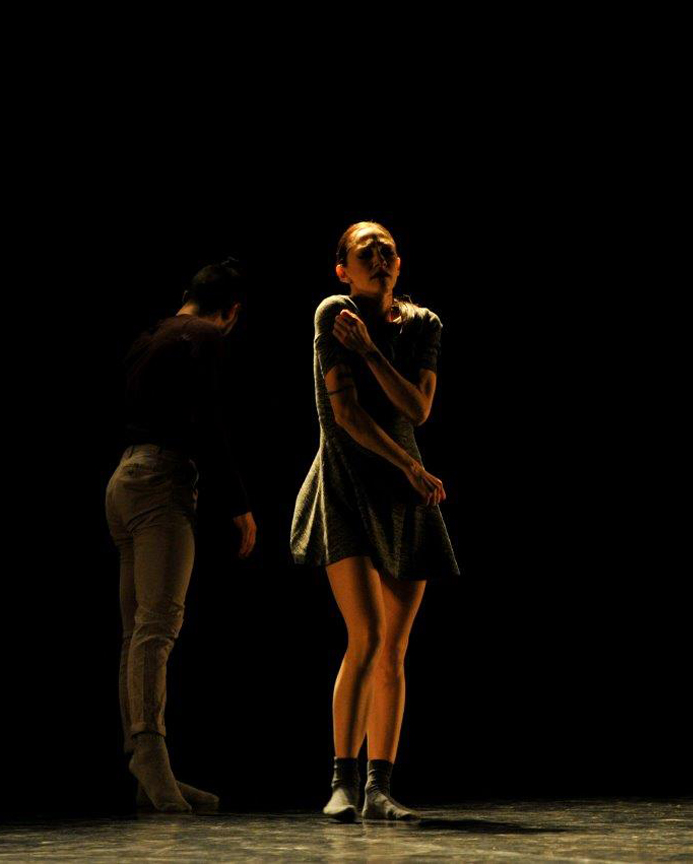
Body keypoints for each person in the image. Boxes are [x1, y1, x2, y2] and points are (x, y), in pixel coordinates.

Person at [291, 222, 460, 821]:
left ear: (399, 263)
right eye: (367, 251)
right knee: (364, 635)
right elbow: (347, 416)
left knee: (395, 645)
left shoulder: (423, 324)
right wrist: (409, 465)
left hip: (404, 493)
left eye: (388, 250)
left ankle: (379, 788)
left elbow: (417, 408)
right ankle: (342, 781)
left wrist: (369, 351)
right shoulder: (332, 312)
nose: (380, 257)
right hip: (347, 483)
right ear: (344, 269)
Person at [106, 260, 257, 813]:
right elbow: (208, 423)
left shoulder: (149, 337)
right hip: (162, 484)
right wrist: (238, 505)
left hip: (123, 480)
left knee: (137, 631)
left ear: (188, 294)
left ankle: (146, 766)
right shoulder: (205, 337)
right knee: (158, 627)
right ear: (232, 312)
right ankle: (150, 755)